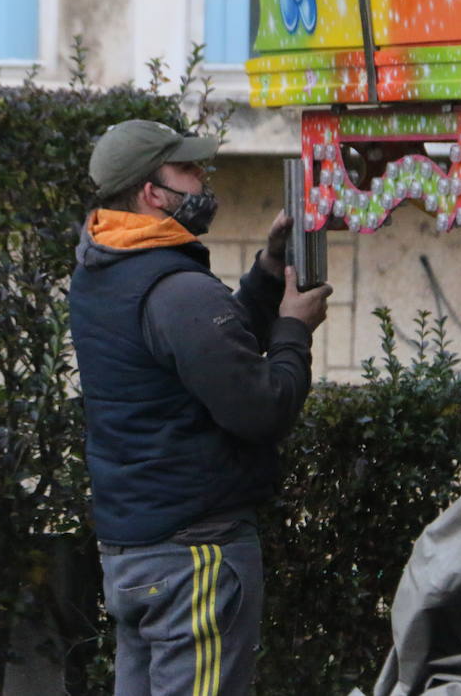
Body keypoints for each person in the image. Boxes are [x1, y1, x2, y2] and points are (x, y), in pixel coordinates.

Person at [69, 119, 332, 696]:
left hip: (134, 556)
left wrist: (267, 275)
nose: (202, 179)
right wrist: (294, 327)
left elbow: (202, 350)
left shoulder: (102, 268)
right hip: (195, 561)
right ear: (152, 193)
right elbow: (263, 409)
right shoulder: (177, 290)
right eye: (187, 169)